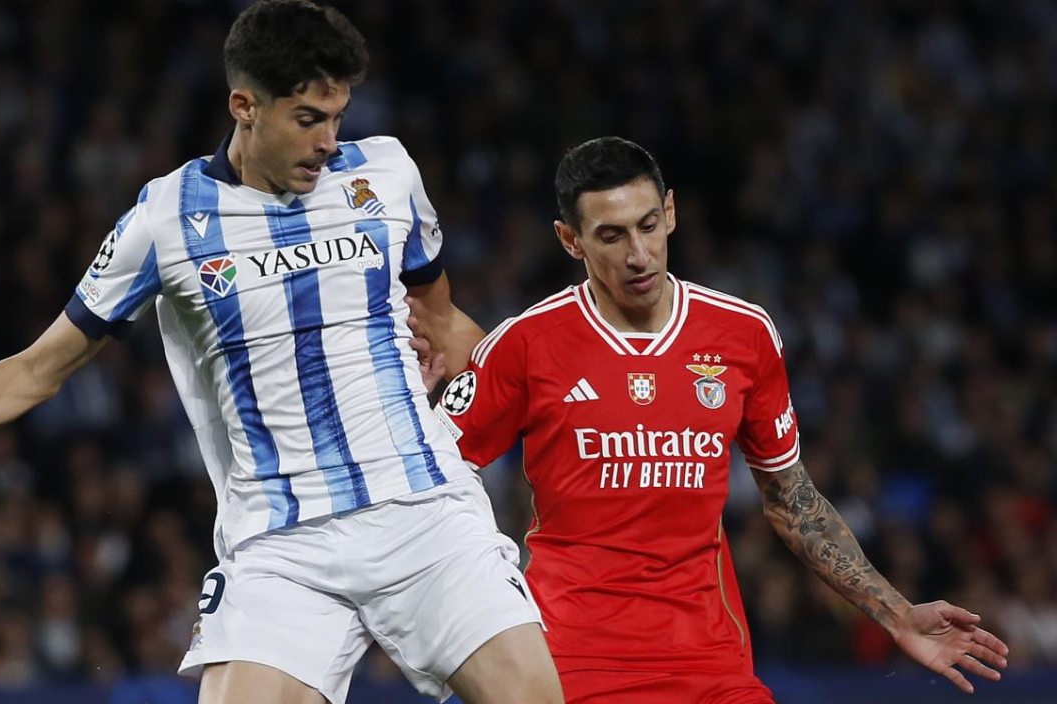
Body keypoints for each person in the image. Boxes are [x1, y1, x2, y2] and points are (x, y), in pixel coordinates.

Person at [0, 0, 563, 704]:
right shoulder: (166, 220)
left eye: (337, 115)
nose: (329, 141)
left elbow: (445, 319)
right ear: (244, 106)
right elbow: (36, 370)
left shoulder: (387, 174)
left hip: (422, 512)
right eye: (308, 118)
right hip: (281, 547)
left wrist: (561, 398)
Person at [424, 136, 1009, 703]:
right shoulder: (526, 344)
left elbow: (790, 498)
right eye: (611, 235)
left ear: (671, 211)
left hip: (709, 665)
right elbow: (429, 471)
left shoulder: (744, 335)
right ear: (570, 240)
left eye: (648, 225)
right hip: (569, 663)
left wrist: (898, 614)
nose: (638, 254)